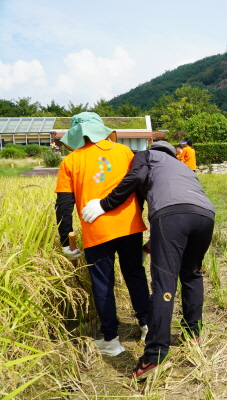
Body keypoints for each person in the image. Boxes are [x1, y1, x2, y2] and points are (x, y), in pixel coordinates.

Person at [81, 140, 216, 379]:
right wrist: (148, 245)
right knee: (192, 273)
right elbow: (180, 210)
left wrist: (104, 204)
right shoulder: (180, 166)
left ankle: (154, 356)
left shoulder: (146, 156)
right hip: (205, 215)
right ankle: (192, 333)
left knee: (164, 284)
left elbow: (135, 180)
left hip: (172, 214)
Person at [54, 112, 150, 356]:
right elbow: (138, 186)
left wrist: (66, 240)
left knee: (103, 283)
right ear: (101, 129)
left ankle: (111, 340)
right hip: (130, 226)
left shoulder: (70, 162)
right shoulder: (124, 152)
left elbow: (64, 205)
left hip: (96, 231)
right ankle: (147, 325)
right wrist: (137, 212)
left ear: (77, 134)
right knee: (135, 274)